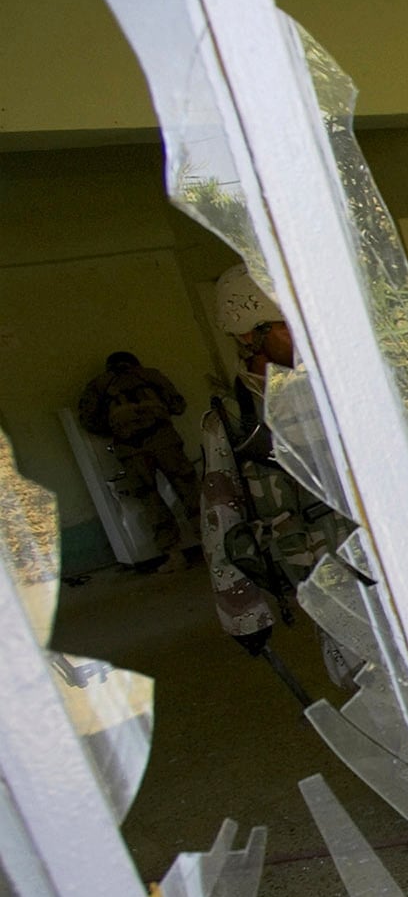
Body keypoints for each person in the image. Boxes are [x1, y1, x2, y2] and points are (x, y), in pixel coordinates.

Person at [199, 263, 355, 686]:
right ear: (250, 335)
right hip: (319, 574)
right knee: (369, 679)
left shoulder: (337, 393)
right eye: (287, 326)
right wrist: (241, 610)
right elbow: (220, 517)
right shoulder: (231, 421)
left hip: (379, 556)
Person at [77, 350, 200, 565]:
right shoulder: (151, 375)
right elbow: (177, 405)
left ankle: (173, 554)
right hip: (163, 438)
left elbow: (88, 421)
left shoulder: (98, 385)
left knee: (149, 499)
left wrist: (118, 431)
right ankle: (212, 543)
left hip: (129, 447)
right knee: (190, 490)